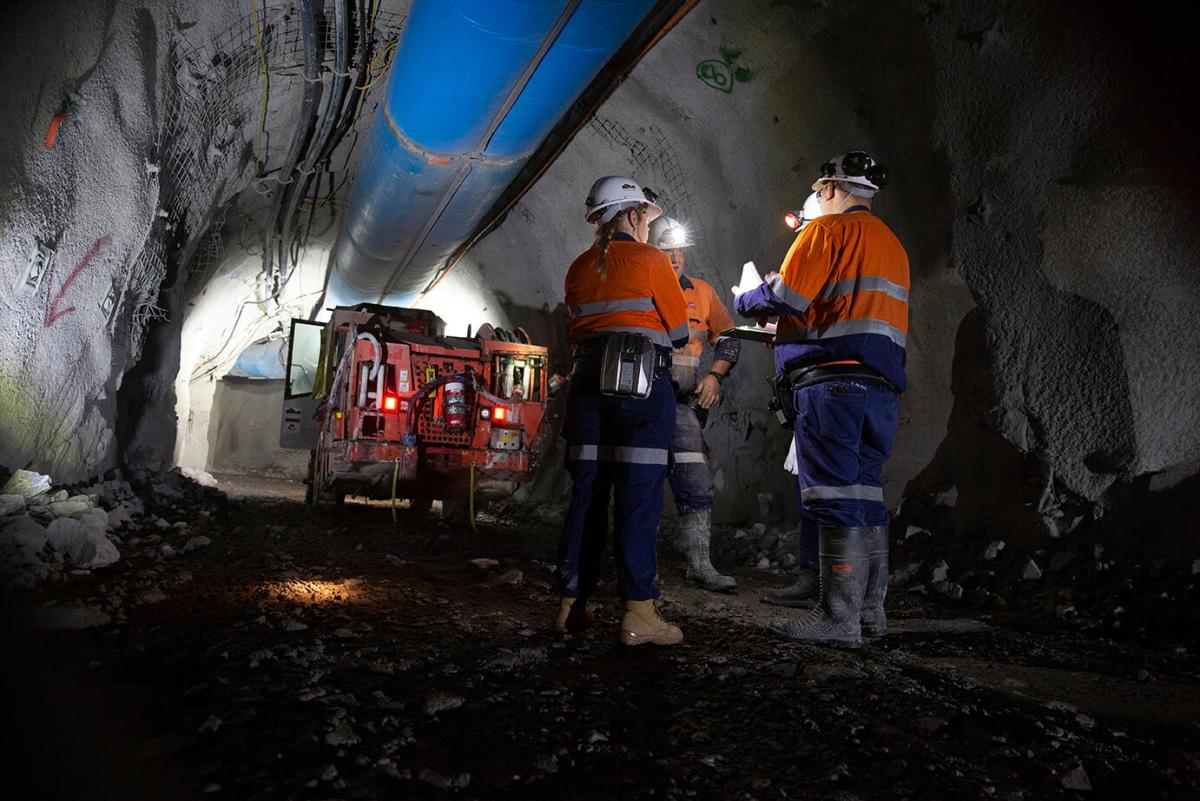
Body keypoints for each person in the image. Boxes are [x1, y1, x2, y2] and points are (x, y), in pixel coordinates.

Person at [735, 151, 909, 648]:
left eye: (819, 190)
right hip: (879, 389)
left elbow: (786, 297)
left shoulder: (824, 232)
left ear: (831, 189)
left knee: (833, 499)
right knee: (866, 497)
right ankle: (870, 614)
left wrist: (749, 296)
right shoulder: (892, 245)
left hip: (832, 385)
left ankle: (837, 618)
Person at [554, 175, 691, 646]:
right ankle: (639, 612)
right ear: (633, 214)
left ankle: (571, 604)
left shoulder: (577, 267)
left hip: (588, 384)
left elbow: (575, 331)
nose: (650, 228)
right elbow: (679, 334)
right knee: (637, 495)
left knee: (588, 494)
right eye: (646, 219)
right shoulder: (651, 260)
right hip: (639, 387)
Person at [648, 215, 741, 593]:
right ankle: (641, 567)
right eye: (664, 250)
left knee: (697, 482)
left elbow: (729, 338)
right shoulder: (642, 290)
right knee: (644, 482)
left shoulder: (701, 292)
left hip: (683, 407)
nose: (673, 258)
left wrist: (715, 375)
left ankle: (700, 565)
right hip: (646, 402)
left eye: (678, 250)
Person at [762, 190, 825, 608]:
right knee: (816, 491)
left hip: (824, 388)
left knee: (824, 492)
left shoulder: (823, 248)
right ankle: (823, 582)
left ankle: (829, 590)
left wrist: (762, 298)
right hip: (814, 387)